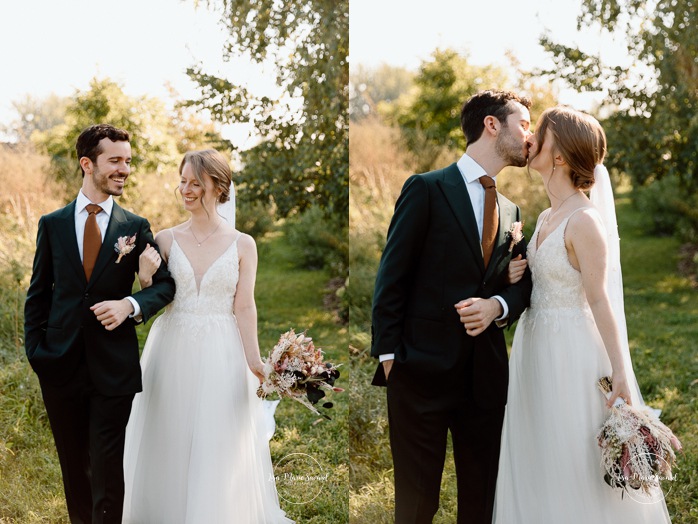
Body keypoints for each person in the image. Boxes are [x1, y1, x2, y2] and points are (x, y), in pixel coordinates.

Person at [493, 107, 671, 522]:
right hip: (533, 347)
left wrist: (621, 370)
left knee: (570, 452)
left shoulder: (585, 220)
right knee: (537, 446)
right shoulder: (543, 218)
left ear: (559, 158)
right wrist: (517, 271)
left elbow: (599, 299)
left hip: (570, 354)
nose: (531, 138)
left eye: (540, 132)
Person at [371, 90, 534, 524]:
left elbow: (523, 286)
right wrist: (390, 359)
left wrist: (498, 304)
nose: (530, 134)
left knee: (481, 500)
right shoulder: (426, 188)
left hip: (484, 377)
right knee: (417, 501)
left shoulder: (513, 209)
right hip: (418, 371)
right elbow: (392, 278)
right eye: (524, 123)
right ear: (492, 125)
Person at [122, 149, 292, 523]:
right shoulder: (165, 239)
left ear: (217, 186)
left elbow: (244, 306)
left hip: (221, 348)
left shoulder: (243, 244)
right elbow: (156, 293)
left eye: (195, 183)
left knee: (218, 438)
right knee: (168, 432)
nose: (186, 189)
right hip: (172, 344)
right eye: (182, 181)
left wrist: (254, 360)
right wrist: (146, 277)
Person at [23, 124, 176, 524]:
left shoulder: (135, 227)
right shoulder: (52, 224)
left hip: (113, 365)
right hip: (58, 362)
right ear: (87, 164)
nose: (124, 169)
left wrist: (131, 303)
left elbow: (165, 286)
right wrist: (37, 353)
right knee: (74, 466)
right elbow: (38, 294)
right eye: (115, 161)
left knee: (108, 467)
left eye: (128, 161)